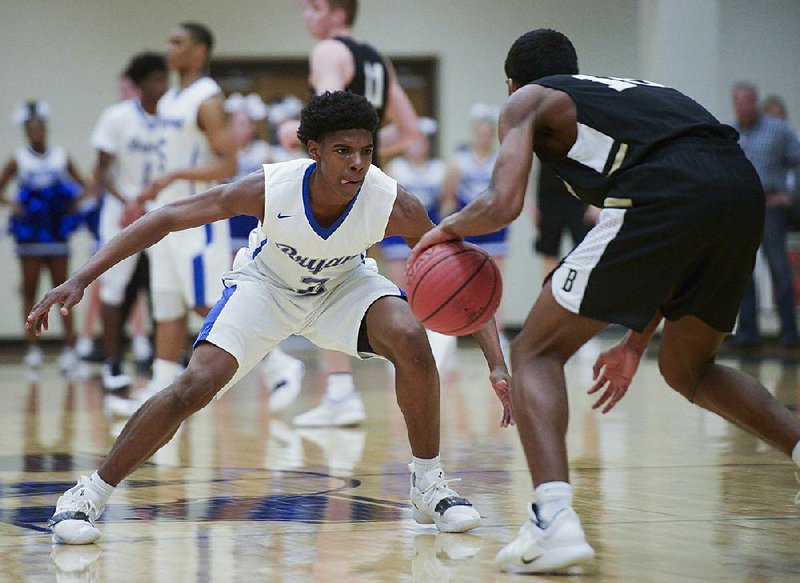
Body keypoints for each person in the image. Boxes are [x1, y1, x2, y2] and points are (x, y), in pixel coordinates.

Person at [28, 90, 512, 545]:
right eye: (343, 150)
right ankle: (87, 495)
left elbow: (462, 276)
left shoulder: (391, 200)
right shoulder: (271, 187)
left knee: (410, 336)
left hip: (343, 285)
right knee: (193, 386)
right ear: (313, 150)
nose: (357, 163)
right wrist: (81, 278)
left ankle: (429, 486)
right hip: (266, 287)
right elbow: (167, 217)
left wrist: (495, 363)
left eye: (366, 150)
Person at [409, 28, 800, 574]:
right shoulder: (637, 92)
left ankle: (552, 521)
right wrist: (637, 340)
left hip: (665, 192)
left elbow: (502, 204)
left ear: (511, 84)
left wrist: (440, 231)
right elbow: (689, 204)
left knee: (535, 352)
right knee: (689, 368)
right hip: (740, 192)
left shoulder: (528, 98)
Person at [289, 0, 423, 427]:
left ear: (336, 13)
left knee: (325, 279)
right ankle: (420, 340)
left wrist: (292, 134)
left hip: (338, 183)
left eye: (313, 8)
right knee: (358, 274)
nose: (306, 17)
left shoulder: (329, 51)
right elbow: (413, 135)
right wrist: (372, 156)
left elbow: (328, 116)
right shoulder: (379, 61)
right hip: (373, 182)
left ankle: (342, 393)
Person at [118, 23, 237, 408]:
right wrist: (150, 192)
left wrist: (177, 176)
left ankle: (279, 367)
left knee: (206, 303)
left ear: (200, 51)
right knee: (167, 306)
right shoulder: (170, 100)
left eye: (178, 42)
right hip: (166, 216)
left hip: (197, 219)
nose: (169, 48)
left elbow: (228, 163)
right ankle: (160, 386)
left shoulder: (207, 99)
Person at [90, 52, 168, 390]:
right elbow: (102, 169)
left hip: (161, 212)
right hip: (121, 214)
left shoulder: (172, 117)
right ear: (138, 85)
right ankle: (111, 362)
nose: (163, 86)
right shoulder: (117, 117)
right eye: (156, 79)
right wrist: (127, 201)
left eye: (165, 78)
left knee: (163, 287)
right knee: (115, 288)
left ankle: (158, 361)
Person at [224, 91, 307, 411]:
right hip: (223, 230)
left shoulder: (266, 152)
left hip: (254, 235)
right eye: (236, 121)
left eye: (246, 122)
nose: (240, 127)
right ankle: (272, 364)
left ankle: (274, 363)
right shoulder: (222, 151)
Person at [0, 101, 86, 371]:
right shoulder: (19, 158)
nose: (36, 133)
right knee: (30, 289)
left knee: (63, 288)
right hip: (30, 235)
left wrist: (71, 204)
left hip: (56, 232)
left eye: (39, 128)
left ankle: (70, 348)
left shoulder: (60, 156)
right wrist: (14, 204)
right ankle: (33, 348)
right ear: (26, 131)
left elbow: (85, 185)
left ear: (45, 129)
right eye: (31, 129)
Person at [730, 82, 800, 348]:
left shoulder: (778, 130)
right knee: (743, 271)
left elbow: (798, 161)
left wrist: (791, 195)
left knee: (779, 268)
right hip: (743, 210)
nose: (741, 107)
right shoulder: (731, 132)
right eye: (736, 102)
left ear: (755, 102)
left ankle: (789, 332)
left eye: (746, 101)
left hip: (771, 208)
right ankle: (748, 332)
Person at [382, 118, 455, 371]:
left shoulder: (440, 169)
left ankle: (436, 342)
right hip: (397, 239)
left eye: (421, 141)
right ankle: (400, 347)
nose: (417, 146)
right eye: (412, 141)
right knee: (400, 292)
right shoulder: (395, 167)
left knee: (428, 290)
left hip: (425, 239)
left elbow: (447, 204)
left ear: (428, 144)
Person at [440, 103, 510, 348]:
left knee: (495, 283)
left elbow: (507, 196)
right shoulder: (458, 161)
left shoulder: (500, 161)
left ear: (492, 135)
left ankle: (497, 334)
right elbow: (448, 199)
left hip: (494, 230)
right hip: (468, 229)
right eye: (479, 132)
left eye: (487, 133)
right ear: (473, 133)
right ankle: (452, 332)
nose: (483, 137)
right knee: (460, 283)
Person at [534, 164, 596, 277]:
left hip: (580, 194)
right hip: (548, 194)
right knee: (549, 249)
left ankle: (581, 292)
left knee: (584, 249)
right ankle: (551, 291)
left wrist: (596, 204)